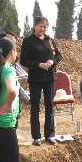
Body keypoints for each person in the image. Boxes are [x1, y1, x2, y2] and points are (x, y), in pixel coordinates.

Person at [20, 16, 62, 146]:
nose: (42, 29)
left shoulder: (49, 40)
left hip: (49, 77)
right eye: (40, 26)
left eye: (45, 27)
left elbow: (59, 56)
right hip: (35, 78)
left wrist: (52, 62)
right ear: (35, 26)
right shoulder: (28, 41)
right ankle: (36, 136)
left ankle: (49, 135)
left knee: (50, 106)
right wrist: (38, 64)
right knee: (35, 107)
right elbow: (23, 60)